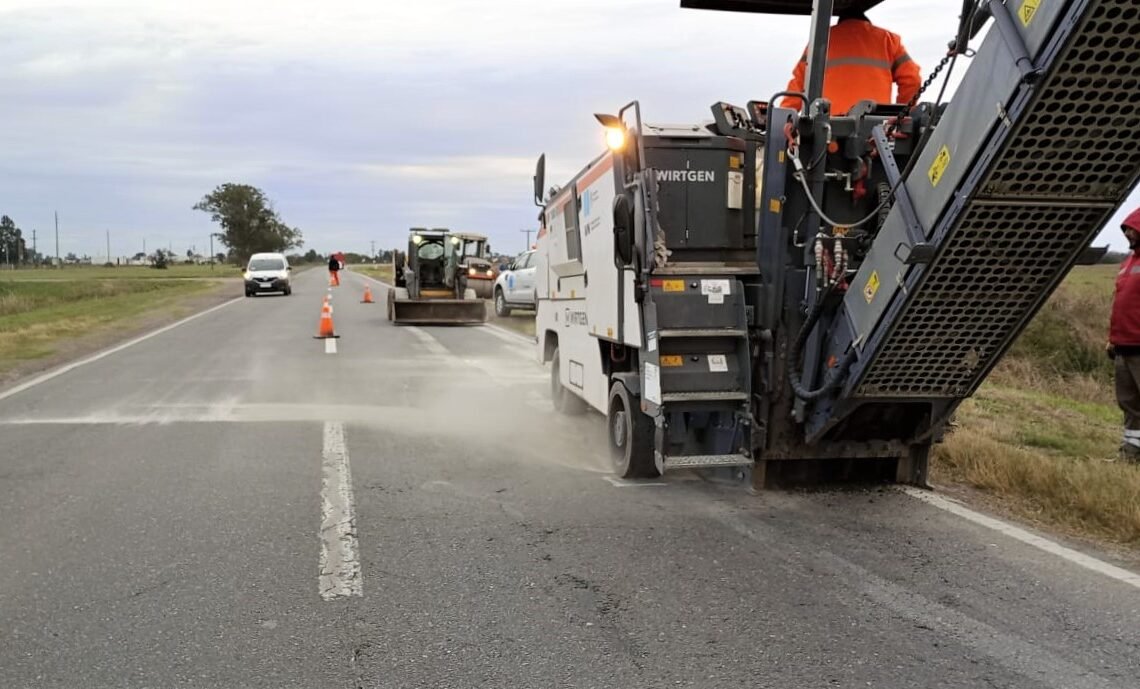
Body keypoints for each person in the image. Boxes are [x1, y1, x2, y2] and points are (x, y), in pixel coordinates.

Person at [778, 8, 921, 115]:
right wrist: (901, 114)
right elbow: (912, 80)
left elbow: (797, 88)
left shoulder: (819, 41)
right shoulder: (889, 40)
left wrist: (782, 119)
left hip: (829, 129)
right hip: (875, 131)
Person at [1108, 207, 1140, 463]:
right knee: (1129, 402)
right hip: (1123, 344)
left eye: (1133, 229)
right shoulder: (1127, 263)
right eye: (1127, 229)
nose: (1128, 233)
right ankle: (1131, 452)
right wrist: (1112, 340)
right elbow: (1121, 304)